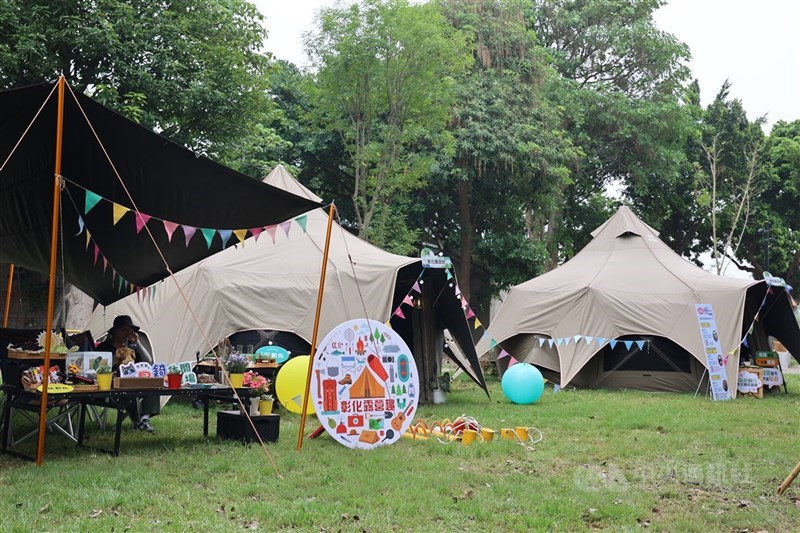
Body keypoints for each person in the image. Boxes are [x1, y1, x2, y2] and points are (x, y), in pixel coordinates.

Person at [96, 315, 159, 433]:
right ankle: (137, 422)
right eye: (123, 329)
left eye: (129, 330)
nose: (127, 333)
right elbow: (97, 368)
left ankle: (144, 419)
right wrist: (116, 358)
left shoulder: (132, 346)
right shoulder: (105, 347)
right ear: (115, 331)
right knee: (130, 390)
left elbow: (148, 362)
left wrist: (138, 343)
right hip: (111, 386)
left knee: (154, 385)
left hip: (132, 381)